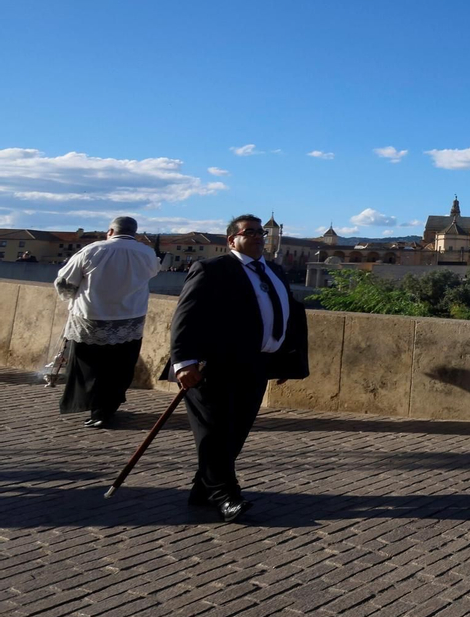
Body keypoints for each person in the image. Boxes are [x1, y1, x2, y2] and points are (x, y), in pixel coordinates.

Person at [167, 213, 308, 522]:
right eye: (250, 232)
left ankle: (203, 488)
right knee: (215, 431)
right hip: (212, 365)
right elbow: (185, 317)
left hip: (255, 364)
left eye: (261, 232)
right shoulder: (211, 269)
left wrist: (285, 357)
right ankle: (225, 495)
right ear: (232, 240)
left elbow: (287, 314)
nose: (258, 236)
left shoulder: (274, 270)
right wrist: (183, 362)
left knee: (236, 432)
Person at [54, 216, 161, 429]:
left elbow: (65, 281)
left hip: (91, 318)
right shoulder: (148, 253)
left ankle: (93, 408)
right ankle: (107, 410)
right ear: (135, 233)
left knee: (89, 367)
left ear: (110, 231)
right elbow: (153, 273)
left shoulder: (93, 250)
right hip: (130, 319)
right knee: (119, 368)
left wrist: (71, 296)